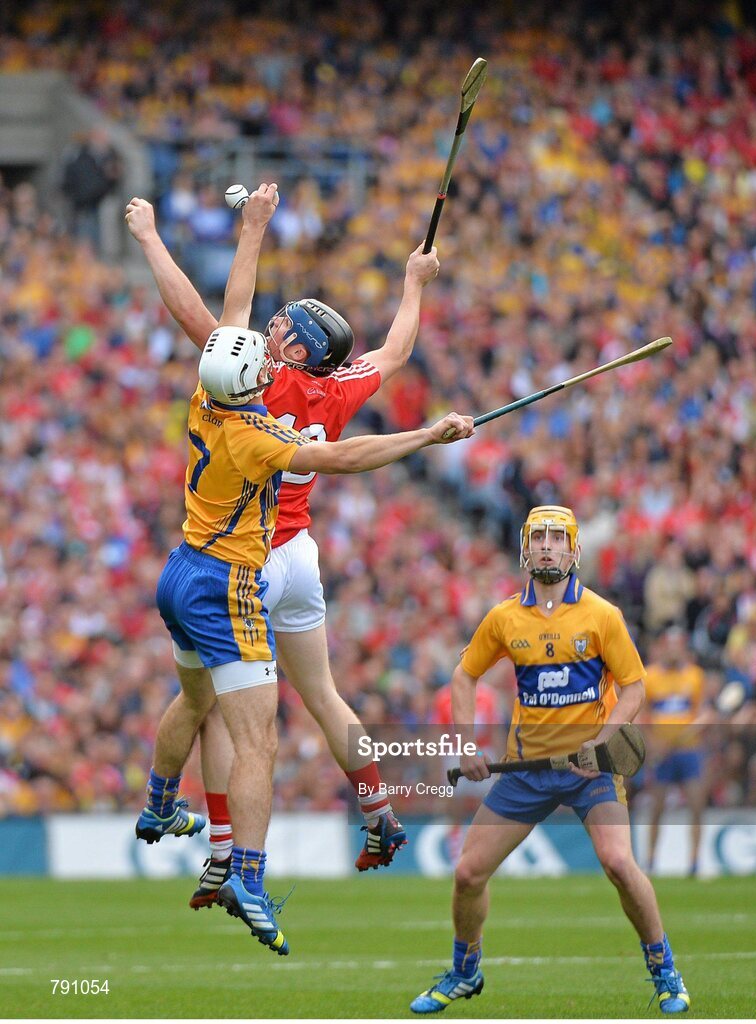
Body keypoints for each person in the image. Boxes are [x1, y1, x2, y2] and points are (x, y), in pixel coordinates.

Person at [132, 181, 474, 956]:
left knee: (222, 711)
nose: (268, 323)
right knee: (320, 695)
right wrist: (412, 284)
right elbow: (393, 352)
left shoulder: (239, 386)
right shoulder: (334, 386)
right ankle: (377, 806)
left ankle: (221, 850)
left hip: (233, 562)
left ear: (289, 351)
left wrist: (231, 233)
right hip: (296, 556)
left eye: (281, 324)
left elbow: (211, 318)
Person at [410, 505, 690, 1015]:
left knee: (619, 864)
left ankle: (665, 971)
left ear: (573, 549)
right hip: (526, 772)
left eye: (557, 538)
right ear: (525, 548)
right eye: (538, 537)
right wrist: (467, 745)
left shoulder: (603, 615)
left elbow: (634, 687)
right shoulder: (503, 618)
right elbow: (463, 677)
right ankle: (465, 971)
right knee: (469, 873)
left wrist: (602, 742)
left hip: (590, 771)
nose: (546, 546)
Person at [643, 626, 707, 876]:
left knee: (696, 805)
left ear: (683, 648)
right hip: (661, 753)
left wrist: (692, 731)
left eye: (677, 645)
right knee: (656, 808)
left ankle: (694, 862)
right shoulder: (650, 676)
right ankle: (650, 861)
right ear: (661, 647)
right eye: (668, 645)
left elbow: (701, 713)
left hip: (688, 751)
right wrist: (653, 743)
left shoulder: (695, 676)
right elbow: (643, 715)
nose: (673, 650)